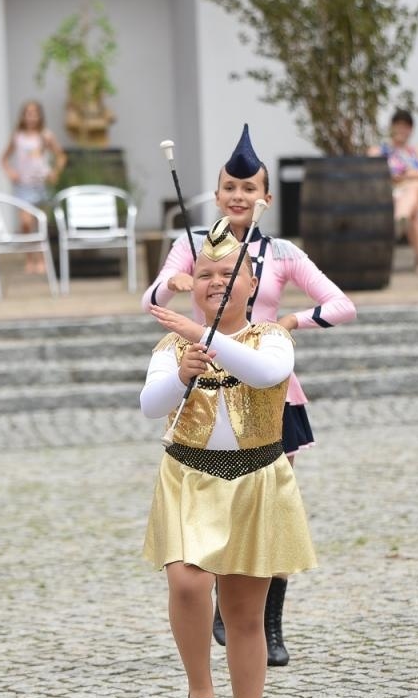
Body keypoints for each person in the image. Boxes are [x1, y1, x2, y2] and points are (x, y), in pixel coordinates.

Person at [143, 126, 354, 667]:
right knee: (206, 500)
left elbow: (343, 306)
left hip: (269, 388)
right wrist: (176, 284)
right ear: (217, 195)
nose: (238, 196)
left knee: (269, 508)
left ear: (266, 197)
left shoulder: (281, 252)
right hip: (204, 383)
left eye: (249, 188)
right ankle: (217, 598)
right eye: (229, 187)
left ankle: (268, 622)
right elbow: (152, 296)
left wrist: (290, 320)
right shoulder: (193, 244)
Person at [141, 218, 318, 698]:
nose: (215, 281)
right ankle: (199, 684)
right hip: (189, 478)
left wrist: (209, 339)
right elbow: (150, 405)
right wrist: (183, 374)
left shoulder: (272, 338)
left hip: (255, 482)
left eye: (228, 272)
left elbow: (267, 375)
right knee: (186, 580)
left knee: (244, 613)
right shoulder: (174, 346)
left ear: (252, 281)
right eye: (204, 274)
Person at [0, 101, 66, 275]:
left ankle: (42, 259)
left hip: (41, 184)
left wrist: (55, 172)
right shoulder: (17, 136)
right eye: (28, 113)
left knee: (40, 224)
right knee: (26, 223)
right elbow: (4, 158)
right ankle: (30, 258)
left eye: (34, 113)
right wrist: (11, 173)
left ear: (39, 115)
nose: (31, 117)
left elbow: (60, 156)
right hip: (23, 186)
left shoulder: (45, 136)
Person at [368, 108, 418, 274]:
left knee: (414, 188)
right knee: (413, 214)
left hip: (415, 191)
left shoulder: (416, 151)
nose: (401, 130)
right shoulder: (378, 151)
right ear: (391, 127)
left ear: (411, 130)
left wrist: (413, 174)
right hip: (389, 195)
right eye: (398, 125)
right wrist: (391, 176)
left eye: (405, 126)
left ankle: (398, 220)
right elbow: (369, 173)